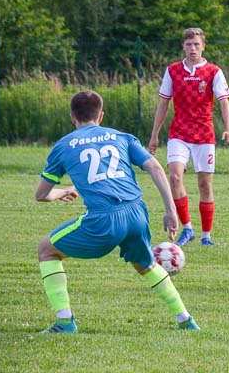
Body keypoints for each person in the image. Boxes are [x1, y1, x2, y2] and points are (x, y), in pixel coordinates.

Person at [36, 90, 199, 333]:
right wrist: (170, 210)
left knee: (46, 250)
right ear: (100, 116)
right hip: (136, 213)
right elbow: (155, 166)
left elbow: (41, 194)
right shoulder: (121, 136)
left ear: (73, 117)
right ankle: (185, 320)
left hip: (104, 218)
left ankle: (65, 322)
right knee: (145, 264)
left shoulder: (63, 146)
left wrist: (61, 192)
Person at [149, 27, 229, 247]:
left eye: (197, 44)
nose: (193, 48)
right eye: (189, 44)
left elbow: (224, 102)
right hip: (179, 133)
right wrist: (155, 135)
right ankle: (187, 229)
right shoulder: (173, 70)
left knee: (205, 185)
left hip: (204, 135)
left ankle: (206, 235)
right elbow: (163, 103)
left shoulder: (214, 71)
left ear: (203, 46)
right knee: (175, 177)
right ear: (183, 47)